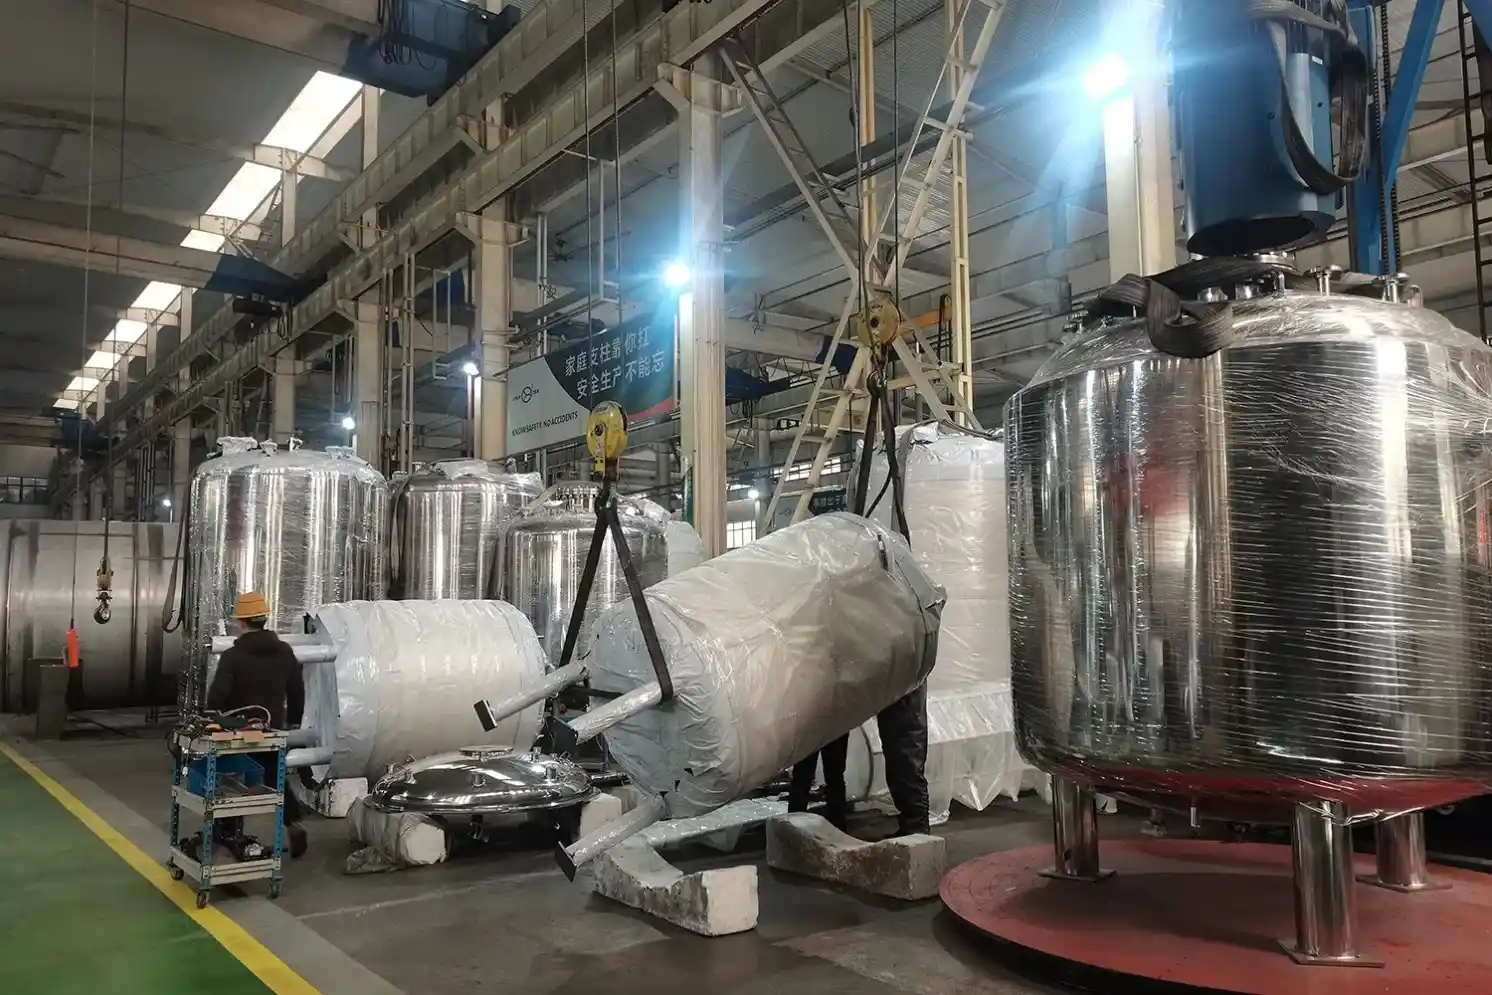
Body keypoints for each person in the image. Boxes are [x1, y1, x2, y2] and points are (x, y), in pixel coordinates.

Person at [207, 592, 308, 857]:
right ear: (264, 619)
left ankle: (228, 833)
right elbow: (297, 691)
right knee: (275, 777)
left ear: (241, 622)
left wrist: (211, 717)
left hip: (239, 732)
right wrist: (293, 720)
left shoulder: (233, 656)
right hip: (271, 729)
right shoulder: (284, 652)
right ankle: (293, 822)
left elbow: (217, 696)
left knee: (230, 780)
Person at [787, 686, 931, 838]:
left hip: (820, 721)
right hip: (831, 721)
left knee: (810, 776)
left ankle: (800, 827)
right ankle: (832, 828)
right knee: (826, 777)